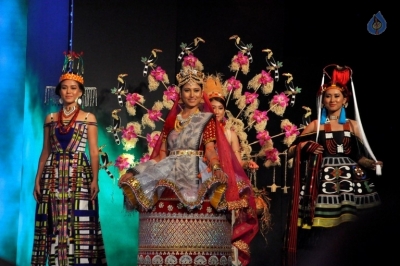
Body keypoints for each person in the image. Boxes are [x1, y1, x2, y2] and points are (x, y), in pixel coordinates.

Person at [119, 54, 258, 266]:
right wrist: (136, 172)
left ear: (201, 93)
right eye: (187, 90)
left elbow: (210, 150)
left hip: (197, 174)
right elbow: (160, 156)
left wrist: (217, 166)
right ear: (180, 94)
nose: (191, 95)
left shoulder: (207, 120)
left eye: (196, 90)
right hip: (167, 171)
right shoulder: (171, 122)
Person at [283, 65, 383, 265]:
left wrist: (372, 164)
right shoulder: (315, 126)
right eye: (328, 96)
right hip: (322, 182)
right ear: (323, 100)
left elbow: (358, 157)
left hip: (350, 182)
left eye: (337, 96)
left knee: (350, 224)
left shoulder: (353, 125)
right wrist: (307, 145)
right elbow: (291, 151)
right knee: (322, 229)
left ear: (345, 100)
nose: (332, 100)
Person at [31, 52, 107, 265]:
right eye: (64, 88)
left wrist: (95, 179)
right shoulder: (51, 118)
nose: (69, 91)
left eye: (73, 88)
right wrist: (37, 179)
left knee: (79, 220)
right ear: (59, 92)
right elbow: (45, 151)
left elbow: (93, 152)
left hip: (79, 175)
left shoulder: (87, 118)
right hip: (53, 175)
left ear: (80, 92)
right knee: (55, 222)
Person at [204, 74, 259, 170]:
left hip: (226, 176)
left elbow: (239, 163)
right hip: (203, 173)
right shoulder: (200, 130)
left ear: (224, 111)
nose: (217, 112)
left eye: (220, 108)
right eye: (213, 108)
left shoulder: (230, 135)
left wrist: (247, 164)